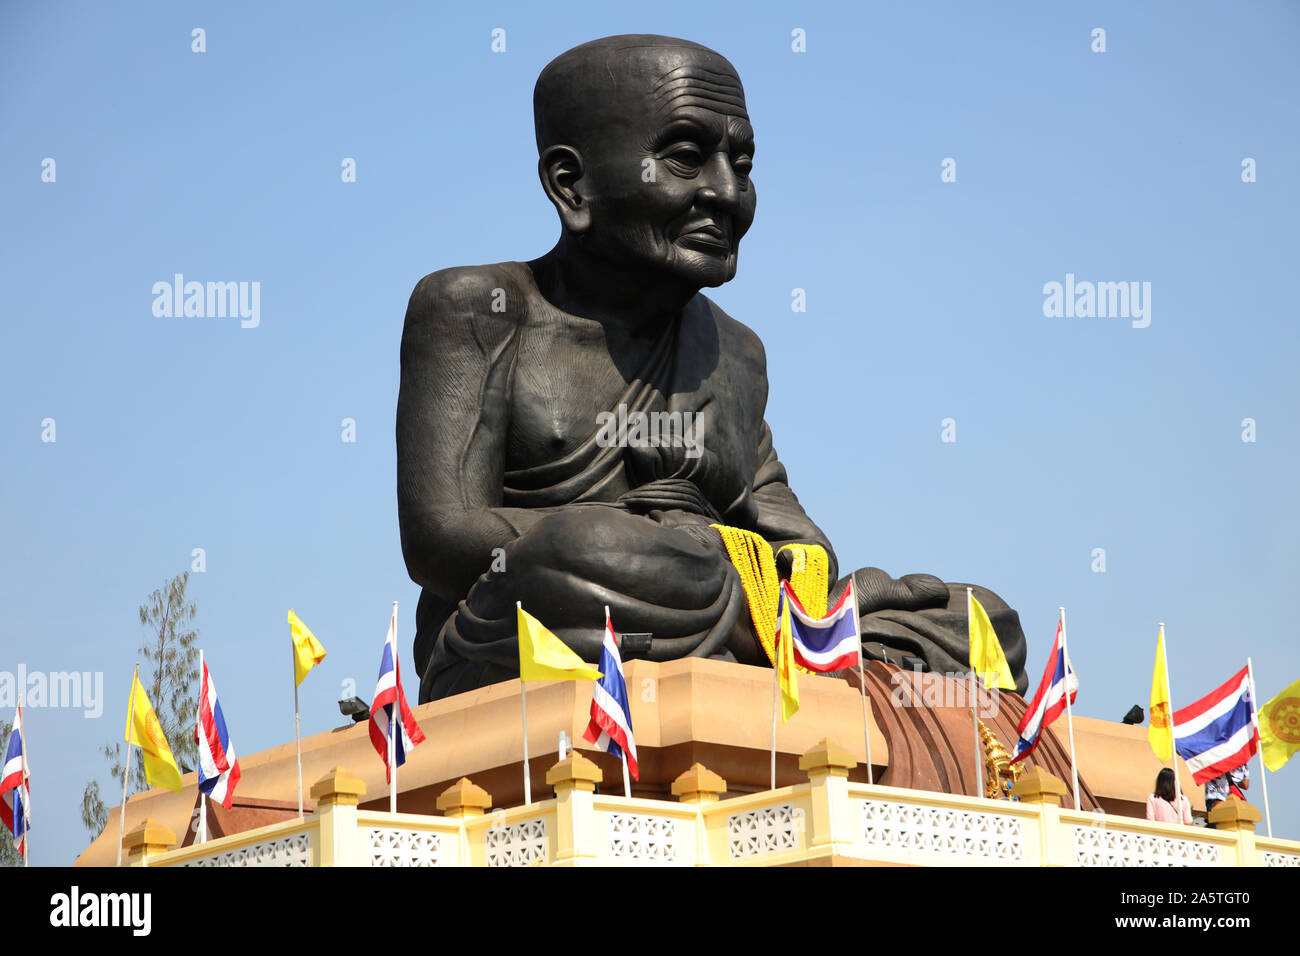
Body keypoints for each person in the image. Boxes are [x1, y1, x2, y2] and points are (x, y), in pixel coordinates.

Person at [397, 35, 1030, 702]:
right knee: (587, 550)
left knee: (980, 618)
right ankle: (748, 648)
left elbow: (794, 538)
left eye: (743, 163)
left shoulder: (734, 351)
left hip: (703, 599)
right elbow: (442, 538)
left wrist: (815, 579)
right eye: (685, 159)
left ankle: (773, 655)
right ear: (571, 184)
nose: (727, 192)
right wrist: (658, 541)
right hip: (557, 612)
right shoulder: (479, 309)